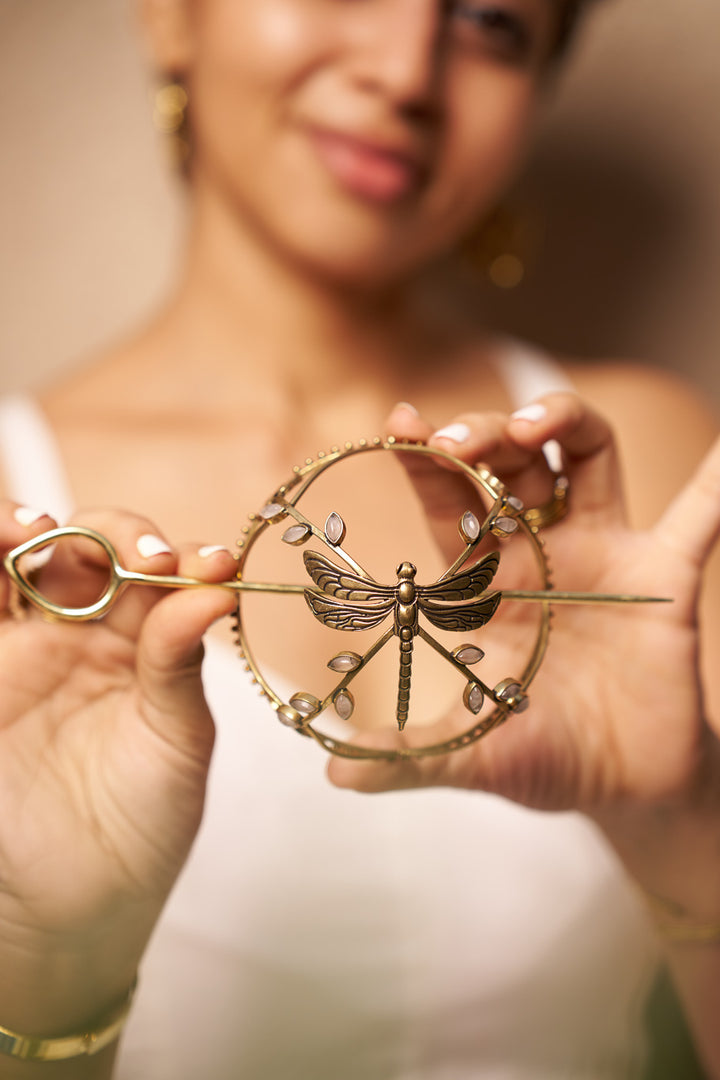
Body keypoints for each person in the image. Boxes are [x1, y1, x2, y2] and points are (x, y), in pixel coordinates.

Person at [0, 0, 719, 1076]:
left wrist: (685, 832)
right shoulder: (19, 529)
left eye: (491, 23)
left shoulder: (642, 467)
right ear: (169, 14)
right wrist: (54, 974)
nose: (407, 71)